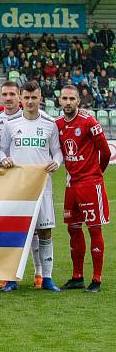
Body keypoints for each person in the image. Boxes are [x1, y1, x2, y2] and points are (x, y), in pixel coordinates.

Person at [0, 81, 63, 292]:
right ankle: (11, 279)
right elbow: (1, 150)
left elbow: (58, 151)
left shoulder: (49, 124)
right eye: (26, 98)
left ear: (40, 97)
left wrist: (58, 162)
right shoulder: (11, 124)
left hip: (42, 186)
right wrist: (4, 159)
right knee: (16, 233)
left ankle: (47, 278)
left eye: (33, 97)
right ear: (20, 98)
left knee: (45, 232)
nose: (30, 102)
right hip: (18, 188)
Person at [0, 81, 44, 288]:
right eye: (5, 94)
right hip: (3, 179)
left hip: (31, 180)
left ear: (19, 97)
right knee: (8, 228)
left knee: (37, 230)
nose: (9, 98)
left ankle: (39, 273)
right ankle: (8, 273)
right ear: (0, 97)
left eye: (13, 94)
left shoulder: (38, 117)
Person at [56, 85, 110, 293]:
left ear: (79, 100)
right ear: (59, 101)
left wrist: (97, 174)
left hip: (90, 183)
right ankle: (77, 276)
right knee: (73, 230)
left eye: (72, 98)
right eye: (64, 98)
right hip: (71, 184)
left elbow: (104, 151)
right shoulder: (58, 124)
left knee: (94, 229)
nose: (68, 102)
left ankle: (96, 279)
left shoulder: (89, 122)